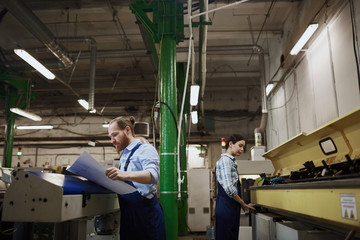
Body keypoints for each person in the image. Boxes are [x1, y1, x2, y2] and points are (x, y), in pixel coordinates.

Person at [105, 116, 166, 240]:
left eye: (115, 135)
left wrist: (124, 175)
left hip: (146, 218)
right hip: (129, 217)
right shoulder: (124, 155)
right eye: (110, 137)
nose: (112, 140)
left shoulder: (145, 150)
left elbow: (153, 175)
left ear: (127, 130)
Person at [215, 134, 255, 240]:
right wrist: (242, 202)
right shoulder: (226, 161)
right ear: (231, 144)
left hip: (230, 205)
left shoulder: (231, 161)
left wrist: (241, 203)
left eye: (243, 147)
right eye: (240, 145)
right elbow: (229, 188)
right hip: (226, 206)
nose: (242, 149)